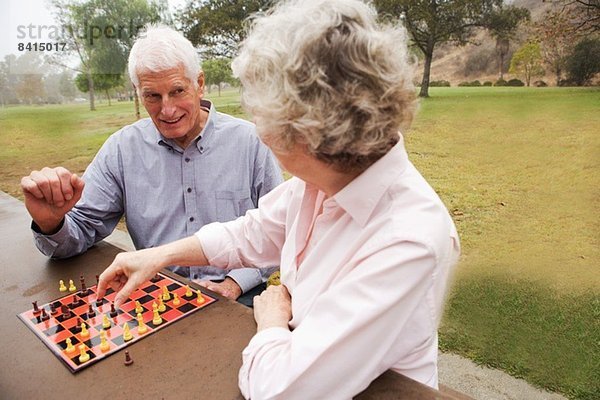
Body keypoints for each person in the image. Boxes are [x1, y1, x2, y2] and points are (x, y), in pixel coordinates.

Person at [97, 1, 460, 398]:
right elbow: (250, 232)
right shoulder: (325, 178)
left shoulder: (407, 242)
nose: (263, 135)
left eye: (269, 119)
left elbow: (279, 389)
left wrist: (271, 318)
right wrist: (159, 256)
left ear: (314, 131)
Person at [20, 25, 283, 305]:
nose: (167, 110)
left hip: (238, 296)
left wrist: (234, 283)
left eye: (177, 91)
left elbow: (278, 232)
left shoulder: (251, 142)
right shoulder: (122, 150)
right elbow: (81, 229)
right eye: (152, 96)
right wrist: (51, 223)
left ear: (200, 83)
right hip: (157, 296)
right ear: (138, 92)